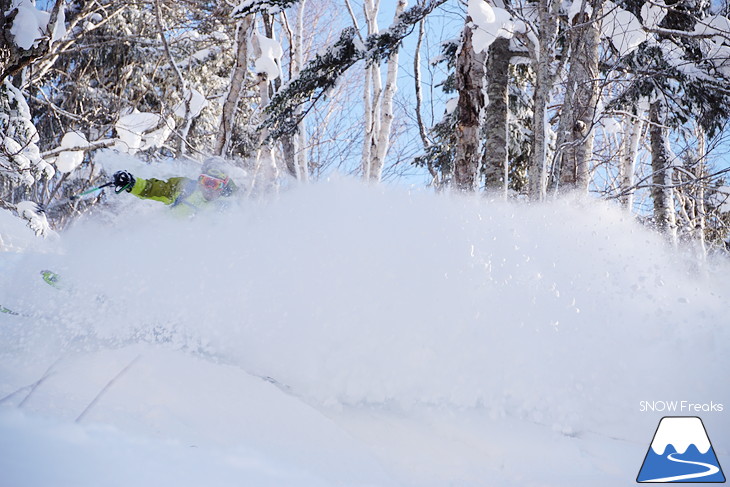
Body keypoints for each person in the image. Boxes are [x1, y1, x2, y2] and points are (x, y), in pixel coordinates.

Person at [112, 159, 238, 216]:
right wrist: (132, 183)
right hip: (167, 246)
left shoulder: (230, 207)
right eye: (206, 181)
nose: (209, 188)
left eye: (215, 184)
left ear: (223, 186)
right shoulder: (185, 188)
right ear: (199, 180)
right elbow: (154, 188)